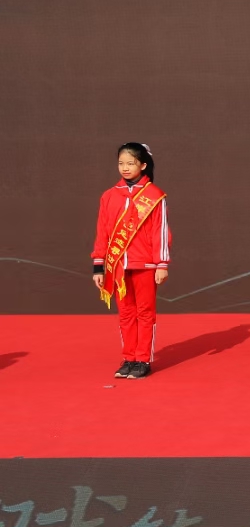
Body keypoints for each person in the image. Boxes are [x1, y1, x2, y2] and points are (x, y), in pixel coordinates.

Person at [91, 142, 170, 380]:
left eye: (130, 163)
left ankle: (143, 359)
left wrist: (161, 263)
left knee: (145, 312)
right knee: (125, 313)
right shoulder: (109, 196)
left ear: (143, 165)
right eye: (121, 163)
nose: (125, 168)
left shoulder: (154, 196)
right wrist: (99, 265)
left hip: (145, 264)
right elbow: (102, 231)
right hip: (118, 266)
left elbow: (160, 231)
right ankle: (129, 358)